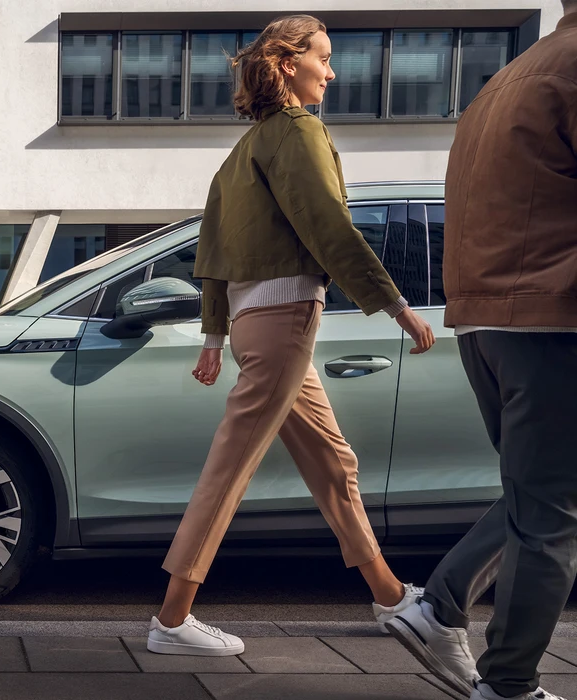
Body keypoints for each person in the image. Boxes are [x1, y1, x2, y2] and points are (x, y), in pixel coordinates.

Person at [146, 14, 438, 658]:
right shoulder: (301, 133)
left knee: (334, 463)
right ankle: (171, 619)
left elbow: (212, 254)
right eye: (323, 59)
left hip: (256, 327)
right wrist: (397, 308)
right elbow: (331, 228)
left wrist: (214, 338)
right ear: (287, 63)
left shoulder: (241, 153)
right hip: (286, 322)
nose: (331, 73)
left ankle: (390, 596)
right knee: (232, 465)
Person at [385, 2, 577, 698]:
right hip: (552, 318)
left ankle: (438, 605)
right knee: (550, 512)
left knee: (539, 495)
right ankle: (507, 683)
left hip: (488, 321)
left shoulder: (506, 77)